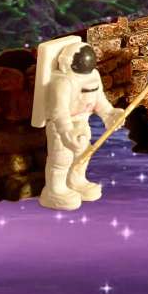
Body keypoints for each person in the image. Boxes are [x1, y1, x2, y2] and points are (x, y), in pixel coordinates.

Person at [32, 36, 123, 210]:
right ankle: (54, 189)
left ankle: (76, 181)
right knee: (61, 157)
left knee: (83, 153)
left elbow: (99, 100)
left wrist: (109, 114)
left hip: (82, 121)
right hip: (62, 126)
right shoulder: (62, 81)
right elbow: (59, 111)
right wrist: (66, 132)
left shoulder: (93, 76)